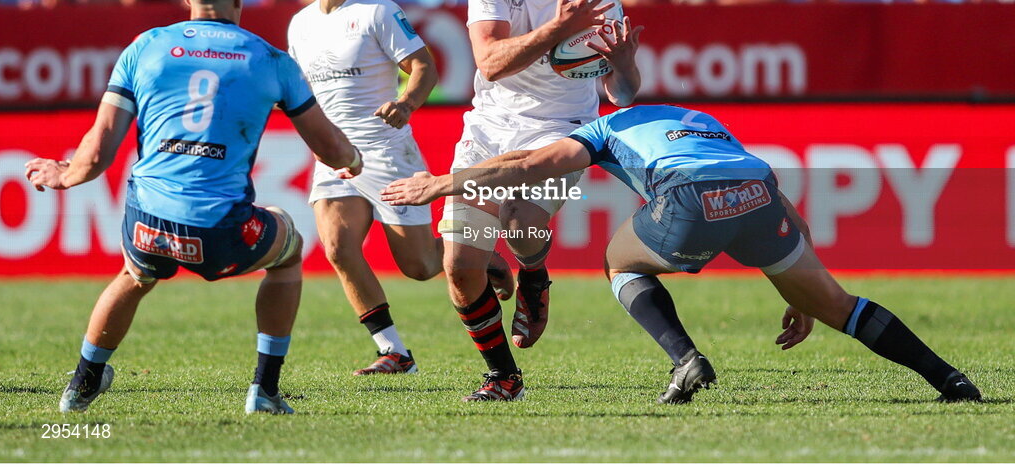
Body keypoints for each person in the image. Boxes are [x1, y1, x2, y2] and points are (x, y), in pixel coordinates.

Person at [382, 104, 983, 405]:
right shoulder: (700, 118)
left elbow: (525, 166)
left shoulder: (603, 126)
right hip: (760, 196)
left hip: (693, 198)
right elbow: (769, 183)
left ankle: (686, 359)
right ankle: (949, 379)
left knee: (619, 261)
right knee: (835, 302)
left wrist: (439, 183)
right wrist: (794, 287)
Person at [24, 0, 363, 415]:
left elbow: (100, 147)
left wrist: (65, 175)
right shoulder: (270, 60)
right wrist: (354, 157)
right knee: (287, 249)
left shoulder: (144, 47)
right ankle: (264, 392)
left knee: (135, 274)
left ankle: (81, 384)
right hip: (221, 229)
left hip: (148, 220)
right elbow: (331, 149)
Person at [436, 0, 641, 401]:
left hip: (561, 126)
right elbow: (489, 63)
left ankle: (533, 273)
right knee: (460, 267)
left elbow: (623, 95)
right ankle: (504, 378)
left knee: (520, 222)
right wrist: (558, 29)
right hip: (490, 124)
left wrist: (625, 64)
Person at [287, 0, 512, 375]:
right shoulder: (299, 24)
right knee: (337, 247)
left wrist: (407, 102)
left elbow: (423, 65)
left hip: (386, 151)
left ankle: (484, 263)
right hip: (335, 155)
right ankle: (393, 350)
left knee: (420, 265)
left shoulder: (378, 12)